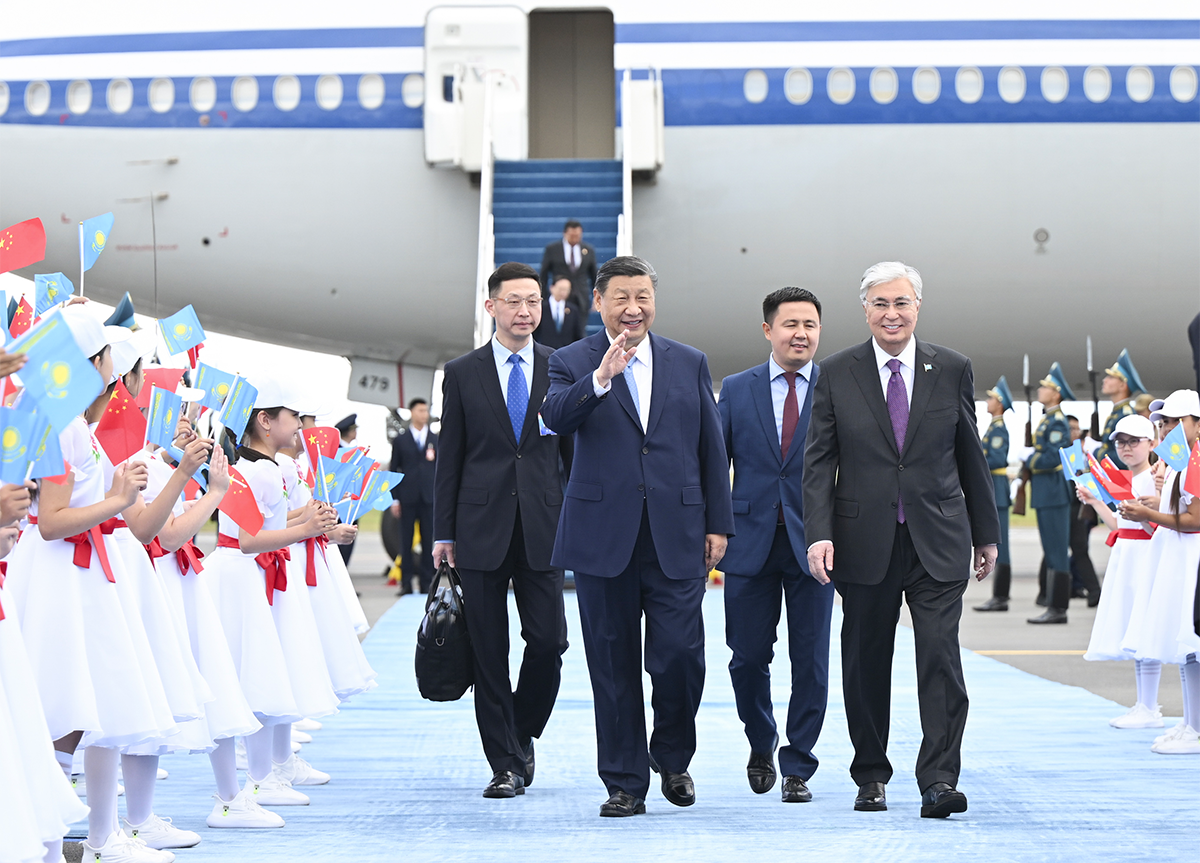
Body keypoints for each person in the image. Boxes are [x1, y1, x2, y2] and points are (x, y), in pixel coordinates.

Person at [803, 261, 998, 820]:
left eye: (902, 303)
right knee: (866, 660)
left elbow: (969, 454)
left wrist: (986, 533)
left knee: (940, 658)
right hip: (862, 541)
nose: (892, 314)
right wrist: (818, 535)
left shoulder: (952, 367)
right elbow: (818, 463)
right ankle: (870, 775)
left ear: (918, 307)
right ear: (865, 310)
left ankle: (939, 780)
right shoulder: (836, 372)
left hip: (939, 536)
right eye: (881, 304)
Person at [541, 255, 734, 818]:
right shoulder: (570, 360)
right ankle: (625, 780)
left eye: (643, 296)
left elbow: (710, 447)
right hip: (603, 536)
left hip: (678, 532)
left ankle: (672, 758)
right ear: (599, 303)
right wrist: (600, 379)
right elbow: (554, 418)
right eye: (621, 297)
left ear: (654, 301)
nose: (633, 308)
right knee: (612, 662)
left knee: (681, 657)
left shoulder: (688, 361)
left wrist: (718, 523)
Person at [433, 261, 573, 800]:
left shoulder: (561, 366)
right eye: (514, 301)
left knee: (550, 642)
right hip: (478, 527)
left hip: (544, 525)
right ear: (491, 306)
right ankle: (505, 764)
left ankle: (521, 728)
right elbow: (451, 457)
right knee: (489, 652)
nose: (525, 311)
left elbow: (571, 454)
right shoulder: (462, 372)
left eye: (533, 301)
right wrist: (443, 531)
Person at [717, 287, 833, 804]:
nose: (801, 334)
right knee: (746, 658)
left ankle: (798, 763)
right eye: (791, 324)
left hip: (816, 544)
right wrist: (711, 529)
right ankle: (761, 740)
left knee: (811, 661)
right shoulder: (736, 389)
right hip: (748, 543)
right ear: (768, 330)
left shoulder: (836, 387)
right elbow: (715, 463)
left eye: (810, 325)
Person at [205, 378, 341, 818]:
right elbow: (248, 539)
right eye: (293, 417)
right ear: (265, 421)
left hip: (249, 573)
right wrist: (306, 528)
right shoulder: (260, 470)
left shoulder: (259, 466)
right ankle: (258, 780)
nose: (300, 425)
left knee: (258, 674)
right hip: (245, 575)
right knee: (255, 675)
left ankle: (263, 777)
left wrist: (308, 520)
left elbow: (267, 523)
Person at [1120, 390, 1200, 753]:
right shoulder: (1182, 460)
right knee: (1185, 647)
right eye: (1163, 422)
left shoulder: (1195, 460)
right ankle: (1190, 722)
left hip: (1190, 556)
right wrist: (1156, 503)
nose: (1165, 428)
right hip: (1179, 554)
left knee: (1191, 644)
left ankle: (1195, 728)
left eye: (1173, 421)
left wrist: (1148, 513)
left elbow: (1194, 520)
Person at [1078, 414, 1162, 728]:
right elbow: (1118, 524)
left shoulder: (1155, 480)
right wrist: (1095, 501)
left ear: (1151, 444)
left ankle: (1149, 707)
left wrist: (1141, 513)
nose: (1126, 448)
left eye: (1134, 441)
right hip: (1126, 555)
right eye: (1121, 442)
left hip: (1145, 556)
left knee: (1144, 630)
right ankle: (1144, 704)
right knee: (1134, 629)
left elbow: (1157, 527)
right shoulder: (1127, 480)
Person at [1026, 363, 1075, 625]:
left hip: (1054, 491)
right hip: (1046, 492)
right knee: (1051, 549)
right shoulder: (1048, 419)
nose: (1040, 390)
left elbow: (1052, 457)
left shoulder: (1057, 421)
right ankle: (1053, 604)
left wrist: (1029, 459)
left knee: (1056, 551)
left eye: (1045, 387)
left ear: (1056, 394)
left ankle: (1058, 608)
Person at [974, 376, 1014, 612]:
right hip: (994, 489)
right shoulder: (993, 427)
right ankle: (999, 596)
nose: (988, 402)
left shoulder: (999, 429)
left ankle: (1001, 596)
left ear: (999, 403)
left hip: (998, 490)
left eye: (991, 398)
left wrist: (975, 464)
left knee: (1001, 545)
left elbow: (996, 459)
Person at [389, 398, 437, 595]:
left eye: (426, 411)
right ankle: (406, 583)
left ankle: (427, 583)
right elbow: (394, 469)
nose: (424, 414)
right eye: (420, 411)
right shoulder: (401, 440)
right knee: (406, 541)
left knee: (428, 542)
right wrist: (395, 499)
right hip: (407, 498)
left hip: (428, 498)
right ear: (411, 413)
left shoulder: (435, 439)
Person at [1067, 415, 1102, 607]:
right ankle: (1047, 590)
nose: (1076, 433)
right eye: (1071, 429)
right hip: (1065, 505)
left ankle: (1094, 591)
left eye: (1077, 429)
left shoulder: (1080, 452)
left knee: (1079, 548)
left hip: (1078, 506)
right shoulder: (1065, 452)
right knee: (1056, 550)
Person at [1095, 349, 1147, 469]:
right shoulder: (1117, 412)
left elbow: (1125, 456)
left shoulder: (1126, 415)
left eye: (1111, 377)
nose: (1105, 380)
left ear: (1123, 385)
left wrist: (1096, 452)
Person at [540, 219, 597, 313]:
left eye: (578, 235)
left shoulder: (588, 250)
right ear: (565, 233)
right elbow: (544, 274)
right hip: (560, 295)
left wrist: (597, 297)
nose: (575, 238)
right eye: (572, 236)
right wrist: (543, 297)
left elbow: (594, 275)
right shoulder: (553, 249)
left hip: (581, 297)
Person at [533, 276, 586, 349]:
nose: (563, 292)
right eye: (561, 289)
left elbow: (578, 334)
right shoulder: (542, 308)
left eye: (566, 289)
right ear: (551, 288)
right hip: (545, 351)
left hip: (566, 352)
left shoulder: (573, 310)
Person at [334, 413, 359, 566]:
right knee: (341, 545)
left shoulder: (349, 451)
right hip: (341, 503)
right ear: (349, 432)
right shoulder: (337, 451)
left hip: (350, 502)